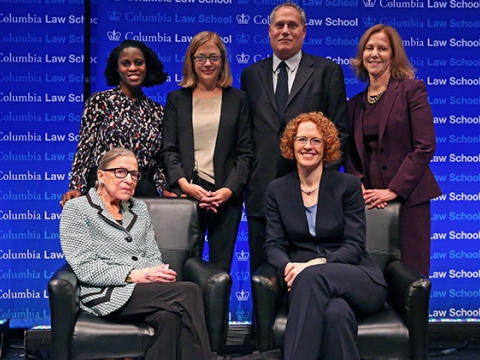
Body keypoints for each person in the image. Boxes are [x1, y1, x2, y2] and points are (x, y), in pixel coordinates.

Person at [59, 148, 212, 360]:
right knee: (189, 292)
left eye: (134, 174)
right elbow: (85, 267)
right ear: (101, 175)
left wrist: (156, 275)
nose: (129, 180)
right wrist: (133, 275)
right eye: (120, 172)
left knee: (169, 318)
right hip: (104, 293)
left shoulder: (138, 208)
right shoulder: (77, 209)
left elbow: (152, 255)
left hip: (141, 289)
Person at [264, 112, 388, 360]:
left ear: (327, 146)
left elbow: (354, 246)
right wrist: (288, 266)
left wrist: (315, 264)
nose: (308, 146)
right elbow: (273, 245)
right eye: (301, 140)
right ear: (292, 144)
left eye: (316, 140)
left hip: (356, 277)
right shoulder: (277, 189)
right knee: (336, 314)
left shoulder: (348, 186)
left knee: (311, 277)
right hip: (304, 285)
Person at [240, 1, 349, 274]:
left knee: (309, 272)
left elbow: (339, 132)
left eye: (292, 25)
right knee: (263, 276)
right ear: (269, 31)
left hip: (312, 194)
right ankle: (264, 320)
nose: (285, 31)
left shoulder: (327, 71)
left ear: (304, 31)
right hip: (261, 191)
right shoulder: (251, 75)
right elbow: (246, 135)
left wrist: (322, 184)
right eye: (279, 25)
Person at [345, 24, 441, 276]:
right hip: (370, 203)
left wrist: (393, 190)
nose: (374, 54)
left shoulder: (411, 90)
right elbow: (348, 153)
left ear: (393, 55)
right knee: (372, 275)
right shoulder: (354, 104)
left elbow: (425, 146)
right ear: (361, 55)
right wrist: (359, 185)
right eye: (369, 48)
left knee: (411, 275)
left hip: (409, 198)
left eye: (382, 48)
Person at [161, 31, 253, 272]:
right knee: (184, 268)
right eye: (201, 57)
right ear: (191, 61)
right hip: (186, 196)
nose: (208, 63)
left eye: (214, 56)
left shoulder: (239, 99)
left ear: (223, 60)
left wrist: (227, 190)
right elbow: (168, 150)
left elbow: (245, 153)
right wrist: (184, 185)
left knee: (219, 272)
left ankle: (217, 312)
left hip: (225, 198)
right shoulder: (176, 99)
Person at [60, 40, 168, 207]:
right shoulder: (99, 102)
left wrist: (165, 188)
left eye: (138, 63)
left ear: (147, 67)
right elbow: (84, 149)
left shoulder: (158, 111)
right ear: (117, 68)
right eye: (126, 63)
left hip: (143, 191)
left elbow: (158, 161)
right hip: (103, 189)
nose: (133, 68)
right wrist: (76, 187)